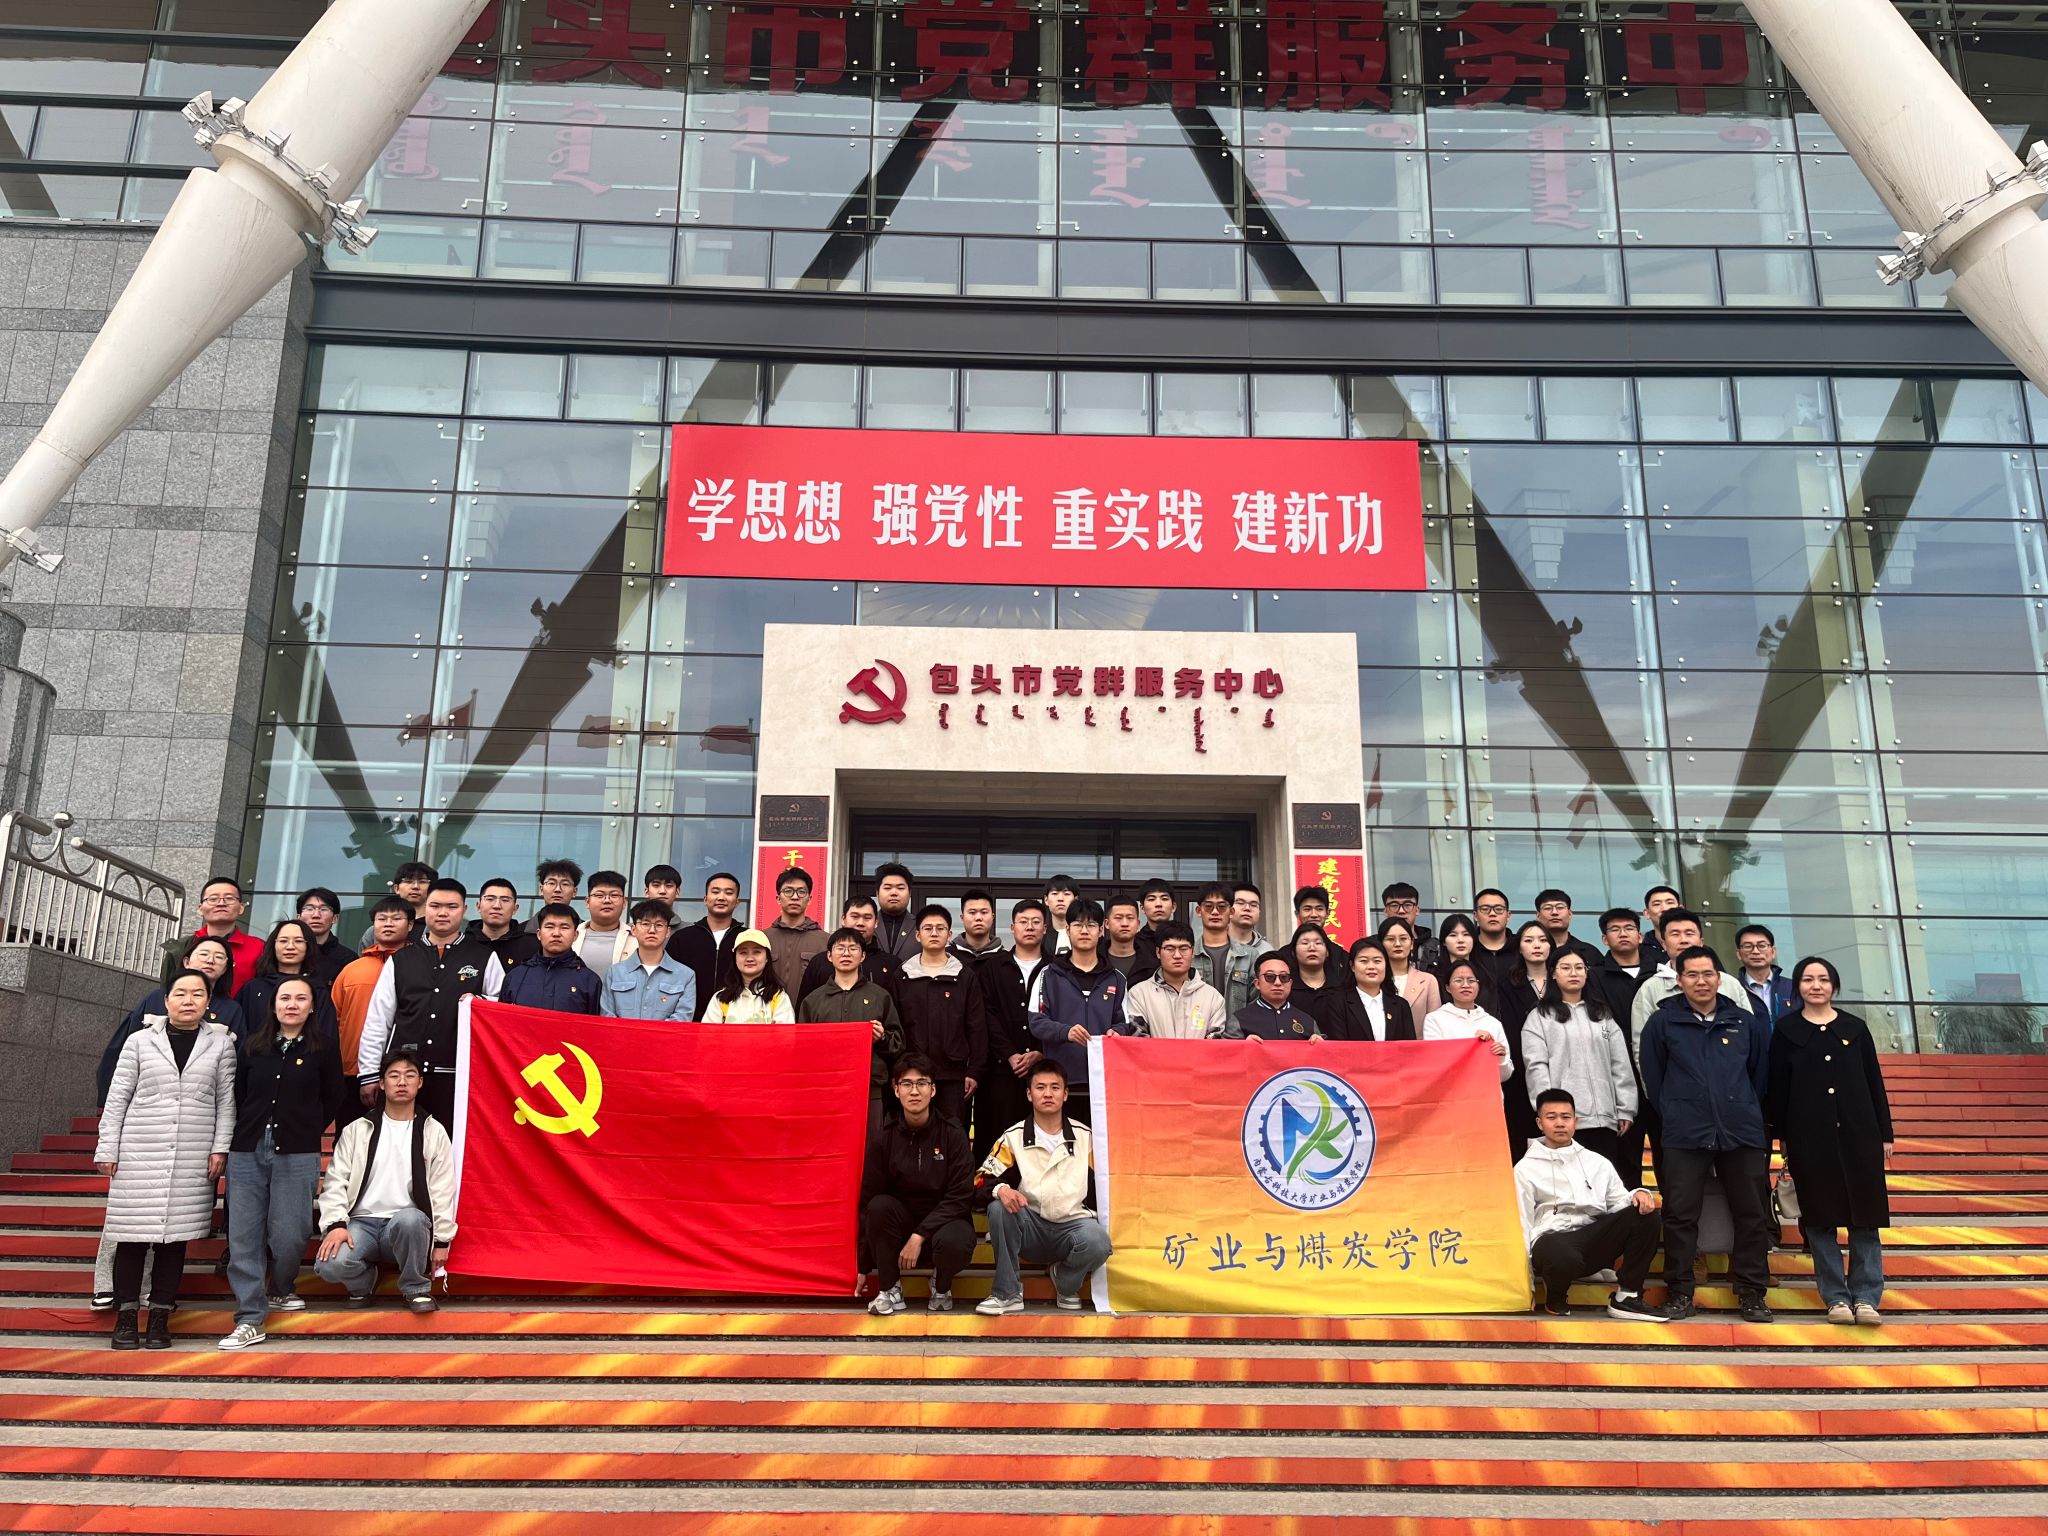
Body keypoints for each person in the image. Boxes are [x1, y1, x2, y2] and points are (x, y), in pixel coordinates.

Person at [94, 968, 235, 1349]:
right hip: (139, 1152)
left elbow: (226, 1102)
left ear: (208, 1002)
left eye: (197, 994)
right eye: (181, 993)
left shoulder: (221, 1045)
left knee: (175, 1242)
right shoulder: (140, 1041)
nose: (189, 1000)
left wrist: (219, 1148)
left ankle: (159, 1317)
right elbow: (118, 1096)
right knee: (131, 1239)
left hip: (192, 1153)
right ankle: (126, 1318)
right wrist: (107, 1147)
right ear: (166, 1000)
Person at [1640, 945, 1776, 1323]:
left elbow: (1759, 1075)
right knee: (1680, 1214)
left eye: (1708, 974)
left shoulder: (1744, 1021)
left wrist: (1740, 1108)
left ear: (1719, 978)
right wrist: (1679, 1111)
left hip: (1740, 1128)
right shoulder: (1662, 1023)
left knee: (1751, 1213)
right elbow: (1653, 1078)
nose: (1701, 981)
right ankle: (1680, 1292)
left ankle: (1751, 1292)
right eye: (1692, 975)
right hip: (1685, 1131)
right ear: (1679, 980)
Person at [1768, 957, 1894, 1326]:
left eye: (1823, 979)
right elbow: (1778, 1088)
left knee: (1865, 1218)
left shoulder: (1855, 1028)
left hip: (1859, 1135)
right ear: (1798, 987)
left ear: (1834, 986)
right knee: (1820, 1220)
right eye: (1808, 979)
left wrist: (1884, 1133)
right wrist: (1782, 1135)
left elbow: (1873, 1081)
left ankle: (1867, 1297)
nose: (1816, 986)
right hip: (1809, 1137)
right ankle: (1836, 1297)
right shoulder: (1786, 1031)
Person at [219, 976, 343, 1351]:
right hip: (247, 1148)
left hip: (297, 1149)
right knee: (244, 1235)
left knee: (291, 1232)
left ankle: (282, 1285)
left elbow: (332, 1097)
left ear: (312, 1006)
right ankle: (250, 1316)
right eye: (284, 998)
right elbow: (239, 1094)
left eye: (300, 998)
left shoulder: (324, 1048)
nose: (292, 1004)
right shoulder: (253, 1046)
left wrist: (304, 1127)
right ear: (273, 1005)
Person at [313, 1049, 455, 1314]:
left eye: (409, 1076)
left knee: (410, 1220)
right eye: (394, 1075)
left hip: (405, 1227)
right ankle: (364, 1282)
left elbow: (442, 1190)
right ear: (381, 1083)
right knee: (329, 1264)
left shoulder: (433, 1131)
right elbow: (335, 1182)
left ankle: (415, 1289)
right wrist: (336, 1225)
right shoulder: (357, 1129)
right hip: (361, 1225)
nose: (401, 1082)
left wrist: (442, 1241)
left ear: (420, 1083)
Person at [355, 879, 504, 1130]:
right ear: (426, 908)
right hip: (404, 1077)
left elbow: (503, 1008)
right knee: (400, 1145)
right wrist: (369, 1073)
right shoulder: (401, 959)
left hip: (459, 1077)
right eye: (435, 906)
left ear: (464, 910)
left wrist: (480, 1002)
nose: (443, 913)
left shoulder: (484, 957)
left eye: (451, 906)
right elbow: (378, 1020)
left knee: (451, 1147)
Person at [1516, 1090, 1668, 1323]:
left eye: (1566, 1117)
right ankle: (1556, 1297)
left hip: (1591, 1239)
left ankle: (1627, 1296)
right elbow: (1522, 1222)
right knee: (1562, 1254)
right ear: (1539, 1123)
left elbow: (1619, 1203)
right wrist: (1524, 1284)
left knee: (1645, 1214)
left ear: (1575, 1121)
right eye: (1551, 1117)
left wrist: (1639, 1193)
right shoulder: (1525, 1169)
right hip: (1552, 1242)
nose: (1559, 1123)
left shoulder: (1596, 1162)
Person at [974, 1059, 1113, 1314]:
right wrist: (1002, 1189)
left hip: (1073, 1228)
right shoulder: (1013, 1137)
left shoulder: (1086, 1137)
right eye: (1040, 1087)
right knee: (998, 1208)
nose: (1048, 1094)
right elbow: (981, 1179)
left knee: (1099, 1242)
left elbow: (1109, 1181)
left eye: (1055, 1087)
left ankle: (1065, 1281)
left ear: (1065, 1094)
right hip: (1030, 1228)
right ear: (1029, 1094)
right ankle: (1008, 1293)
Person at [862, 1053, 977, 1316]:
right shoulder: (884, 1137)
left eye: (922, 1083)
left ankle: (941, 1286)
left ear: (933, 1090)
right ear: (896, 1090)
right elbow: (869, 1197)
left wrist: (920, 1235)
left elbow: (961, 1195)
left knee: (957, 1239)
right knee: (878, 1207)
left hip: (942, 1226)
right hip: (900, 1231)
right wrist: (863, 1265)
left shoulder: (953, 1133)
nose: (914, 1091)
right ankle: (890, 1288)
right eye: (907, 1084)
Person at [1522, 951, 1636, 1185]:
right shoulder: (1540, 1016)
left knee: (1603, 1186)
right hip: (1564, 1120)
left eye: (1579, 967)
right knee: (1569, 1187)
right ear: (1554, 974)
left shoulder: (1602, 1015)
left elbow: (1620, 1064)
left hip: (1604, 1119)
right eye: (1566, 968)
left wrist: (1625, 1108)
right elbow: (1536, 1067)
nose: (1573, 973)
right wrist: (1548, 1110)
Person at [98, 935, 244, 1108]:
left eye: (219, 957)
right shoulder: (154, 1000)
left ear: (226, 967)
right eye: (204, 954)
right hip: (146, 1106)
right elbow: (123, 1054)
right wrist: (108, 1102)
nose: (210, 960)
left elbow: (235, 1068)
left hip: (202, 1109)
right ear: (186, 962)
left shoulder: (231, 1010)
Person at [799, 925, 904, 1141]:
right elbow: (802, 1049)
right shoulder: (813, 1001)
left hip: (869, 1090)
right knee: (827, 1145)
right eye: (840, 948)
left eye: (853, 948)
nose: (846, 953)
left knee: (869, 1148)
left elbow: (898, 1043)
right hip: (825, 1091)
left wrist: (882, 1038)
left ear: (862, 956)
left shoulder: (879, 997)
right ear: (829, 956)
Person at [1028, 898, 1129, 1117]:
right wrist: (1066, 1032)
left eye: (1091, 925)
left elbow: (1125, 1022)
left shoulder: (1116, 979)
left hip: (1104, 1082)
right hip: (1059, 1082)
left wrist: (1117, 1032)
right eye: (1078, 925)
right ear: (1067, 929)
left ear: (1101, 930)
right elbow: (1036, 1021)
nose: (1084, 931)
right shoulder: (1048, 975)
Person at [897, 904, 988, 1133]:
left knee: (953, 1135)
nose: (934, 933)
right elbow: (895, 1026)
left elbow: (976, 1026)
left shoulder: (964, 976)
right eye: (928, 928)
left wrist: (974, 1071)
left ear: (949, 935)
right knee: (913, 1134)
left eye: (940, 928)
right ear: (918, 935)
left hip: (953, 1075)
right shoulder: (903, 975)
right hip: (912, 1074)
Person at [975, 898, 1049, 1161]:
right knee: (996, 1138)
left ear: (1045, 928)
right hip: (999, 1071)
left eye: (1036, 922)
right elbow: (986, 1015)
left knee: (1040, 1140)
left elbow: (1060, 1016)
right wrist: (1009, 1053)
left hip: (1043, 1070)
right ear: (1012, 928)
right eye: (1023, 922)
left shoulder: (1056, 969)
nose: (1029, 927)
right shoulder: (992, 968)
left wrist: (1040, 1052)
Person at [1628, 908, 1752, 1056]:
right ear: (1664, 944)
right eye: (1675, 934)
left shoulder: (1729, 983)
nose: (1683, 940)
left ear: (1701, 942)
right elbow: (1642, 1048)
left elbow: (1749, 1032)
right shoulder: (1650, 989)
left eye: (1689, 933)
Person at [330, 897, 411, 1112]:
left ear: (410, 925)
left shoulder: (420, 966)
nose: (388, 924)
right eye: (381, 919)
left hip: (406, 1072)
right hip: (353, 1072)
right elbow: (333, 1020)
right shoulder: (352, 969)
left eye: (396, 918)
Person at [1123, 921, 1227, 1040]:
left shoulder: (1212, 998)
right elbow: (1138, 1042)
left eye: (1184, 948)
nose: (1177, 955)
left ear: (1193, 952)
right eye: (1170, 949)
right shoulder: (1139, 994)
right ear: (1158, 952)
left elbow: (1215, 1046)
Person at [798, 894, 903, 1007]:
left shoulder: (891, 964)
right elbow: (805, 1007)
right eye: (855, 916)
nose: (860, 923)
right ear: (843, 919)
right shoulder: (820, 963)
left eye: (867, 918)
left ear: (876, 922)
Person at [237, 919, 334, 1042]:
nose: (290, 947)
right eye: (283, 941)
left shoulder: (318, 991)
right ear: (273, 945)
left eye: (298, 941)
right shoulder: (253, 988)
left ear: (308, 946)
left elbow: (326, 1039)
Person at [497, 902, 601, 1014]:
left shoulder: (589, 981)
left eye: (564, 927)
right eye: (549, 927)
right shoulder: (516, 976)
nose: (556, 933)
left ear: (575, 935)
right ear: (539, 934)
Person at [599, 901, 695, 1020]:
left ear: (668, 932)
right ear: (633, 929)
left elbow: (682, 1018)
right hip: (620, 1033)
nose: (652, 930)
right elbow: (607, 1016)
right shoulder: (615, 973)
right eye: (645, 924)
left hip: (665, 1034)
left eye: (659, 925)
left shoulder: (685, 975)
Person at [1421, 960, 1512, 1084]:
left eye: (1471, 980)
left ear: (1478, 986)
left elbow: (1504, 1076)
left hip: (1486, 1092)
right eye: (1458, 980)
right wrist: (1474, 1043)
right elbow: (1435, 1064)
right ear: (1448, 987)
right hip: (1451, 1091)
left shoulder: (1493, 1023)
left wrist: (1501, 1059)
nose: (1465, 985)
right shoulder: (1435, 1020)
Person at [668, 870, 742, 1014]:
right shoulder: (682, 938)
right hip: (688, 1019)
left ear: (737, 902)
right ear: (705, 899)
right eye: (715, 892)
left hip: (735, 1019)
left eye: (728, 893)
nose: (721, 897)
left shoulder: (746, 939)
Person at [184, 876, 264, 989]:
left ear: (241, 908)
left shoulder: (259, 948)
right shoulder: (184, 946)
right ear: (200, 909)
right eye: (213, 899)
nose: (221, 903)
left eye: (229, 898)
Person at [1329, 937, 1414, 1043]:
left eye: (1377, 961)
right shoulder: (1338, 1003)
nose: (1371, 967)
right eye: (1364, 961)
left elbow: (1409, 1047)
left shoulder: (1400, 1005)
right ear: (1352, 966)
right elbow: (1337, 1046)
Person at [1191, 882, 1258, 1015]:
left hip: (1239, 1028)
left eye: (1221, 907)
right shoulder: (1188, 955)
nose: (1215, 912)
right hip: (1197, 1027)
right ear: (1199, 911)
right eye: (1208, 906)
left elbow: (1256, 1002)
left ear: (1231, 912)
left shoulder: (1250, 956)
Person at [702, 929, 796, 1023]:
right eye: (743, 953)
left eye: (756, 952)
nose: (750, 958)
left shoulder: (779, 997)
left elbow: (785, 1032)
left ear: (767, 958)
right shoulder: (720, 998)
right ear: (735, 959)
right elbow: (708, 1031)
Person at [1227, 951, 1323, 1040]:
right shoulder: (1240, 1019)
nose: (1278, 983)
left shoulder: (1308, 1021)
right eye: (1270, 977)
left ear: (1290, 983)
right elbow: (1227, 1051)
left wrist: (1319, 1044)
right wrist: (1244, 1046)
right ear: (1257, 984)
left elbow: (1323, 1051)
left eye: (1283, 977)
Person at [765, 865, 827, 999]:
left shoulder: (825, 941)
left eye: (801, 892)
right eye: (788, 891)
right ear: (778, 898)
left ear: (809, 899)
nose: (794, 897)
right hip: (768, 1011)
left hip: (809, 1011)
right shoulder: (762, 938)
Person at [352, 860, 435, 948]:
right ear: (396, 888)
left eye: (422, 882)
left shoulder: (438, 928)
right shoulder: (373, 932)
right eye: (408, 881)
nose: (415, 886)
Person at [1282, 922, 1343, 1036]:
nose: (1312, 948)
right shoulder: (1285, 989)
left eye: (1318, 943)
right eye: (1305, 943)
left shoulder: (1341, 988)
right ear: (1293, 952)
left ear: (1327, 952)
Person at [1595, 907, 1653, 1023]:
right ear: (1605, 939)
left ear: (1640, 937)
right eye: (1615, 929)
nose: (1623, 934)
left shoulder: (1658, 971)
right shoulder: (1595, 977)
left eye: (1629, 928)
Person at [1379, 916, 1441, 1023]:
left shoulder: (1428, 981)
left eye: (1403, 938)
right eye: (1390, 939)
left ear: (1412, 943)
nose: (1397, 944)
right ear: (1381, 943)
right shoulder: (1373, 979)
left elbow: (1435, 1024)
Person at [467, 877, 538, 968]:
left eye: (505, 900)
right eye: (490, 899)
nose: (497, 906)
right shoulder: (462, 944)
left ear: (515, 908)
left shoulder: (532, 947)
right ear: (478, 906)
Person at [1734, 924, 1796, 1027]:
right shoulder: (1732, 990)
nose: (1755, 951)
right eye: (1748, 946)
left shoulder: (1793, 987)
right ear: (1739, 954)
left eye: (1762, 946)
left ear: (1773, 952)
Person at [574, 870, 632, 973]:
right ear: (587, 902)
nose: (607, 901)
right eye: (599, 895)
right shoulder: (571, 935)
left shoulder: (637, 938)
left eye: (614, 895)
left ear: (624, 902)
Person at [296, 886, 357, 984]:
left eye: (324, 909)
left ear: (335, 918)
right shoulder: (286, 952)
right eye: (309, 909)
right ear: (298, 917)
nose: (316, 915)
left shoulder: (349, 960)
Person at [1533, 889, 1604, 971]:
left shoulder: (1590, 952)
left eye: (1560, 907)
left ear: (1570, 914)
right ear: (1538, 916)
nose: (1554, 912)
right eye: (1548, 908)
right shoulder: (1529, 950)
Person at [1381, 881, 1439, 968]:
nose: (1401, 911)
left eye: (1407, 905)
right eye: (1394, 905)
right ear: (1385, 911)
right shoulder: (1374, 946)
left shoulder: (1436, 948)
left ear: (1417, 910)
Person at [1101, 895, 1154, 982]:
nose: (1124, 923)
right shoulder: (1096, 961)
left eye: (1130, 918)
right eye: (1118, 918)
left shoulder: (1152, 963)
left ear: (1138, 924)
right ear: (1107, 924)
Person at [951, 887, 1008, 966]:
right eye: (972, 912)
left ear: (992, 917)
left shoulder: (1006, 960)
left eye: (984, 912)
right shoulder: (947, 956)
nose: (978, 918)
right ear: (962, 918)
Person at [1470, 889, 1515, 990]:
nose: (1492, 914)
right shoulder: (1467, 948)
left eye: (1498, 909)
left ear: (1508, 915)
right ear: (1475, 916)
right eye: (1485, 909)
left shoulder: (1521, 947)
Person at [873, 862, 918, 960]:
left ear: (910, 893)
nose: (894, 893)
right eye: (887, 888)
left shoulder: (920, 926)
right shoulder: (867, 924)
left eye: (900, 888)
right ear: (877, 893)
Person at [1639, 884, 1682, 967]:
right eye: (1657, 904)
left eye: (1670, 903)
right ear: (1647, 913)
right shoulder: (1638, 953)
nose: (1664, 909)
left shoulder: (1696, 947)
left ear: (1680, 909)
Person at [1042, 875, 1077, 955]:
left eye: (1066, 894)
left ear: (1075, 900)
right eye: (1055, 893)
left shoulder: (1086, 934)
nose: (1060, 899)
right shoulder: (1040, 935)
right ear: (1046, 900)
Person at [1228, 882, 1267, 950]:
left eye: (1253, 905)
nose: (1247, 908)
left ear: (1259, 912)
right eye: (1240, 903)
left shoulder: (1267, 950)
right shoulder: (1212, 946)